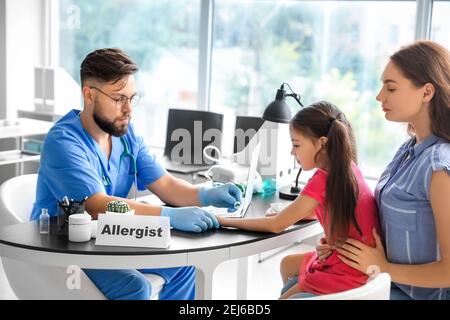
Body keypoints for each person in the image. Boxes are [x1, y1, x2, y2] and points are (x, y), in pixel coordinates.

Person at [30, 48, 242, 300]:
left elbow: (164, 183)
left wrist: (205, 195)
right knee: (134, 286)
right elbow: (96, 205)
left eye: (132, 98)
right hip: (63, 245)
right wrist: (168, 216)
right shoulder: (63, 141)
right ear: (89, 95)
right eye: (119, 99)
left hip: (106, 236)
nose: (128, 109)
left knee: (184, 266)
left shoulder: (126, 134)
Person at [217, 101, 380, 299]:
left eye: (296, 145)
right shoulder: (348, 169)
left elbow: (276, 226)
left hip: (347, 272)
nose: (292, 152)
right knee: (288, 264)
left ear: (321, 143)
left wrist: (224, 220)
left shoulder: (323, 179)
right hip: (361, 268)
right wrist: (291, 215)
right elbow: (319, 210)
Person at [335, 40, 450, 300]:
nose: (379, 96)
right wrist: (343, 247)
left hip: (415, 294)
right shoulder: (408, 150)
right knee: (294, 275)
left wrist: (384, 268)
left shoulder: (439, 167)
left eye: (391, 87)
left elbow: (449, 272)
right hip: (389, 280)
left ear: (426, 92)